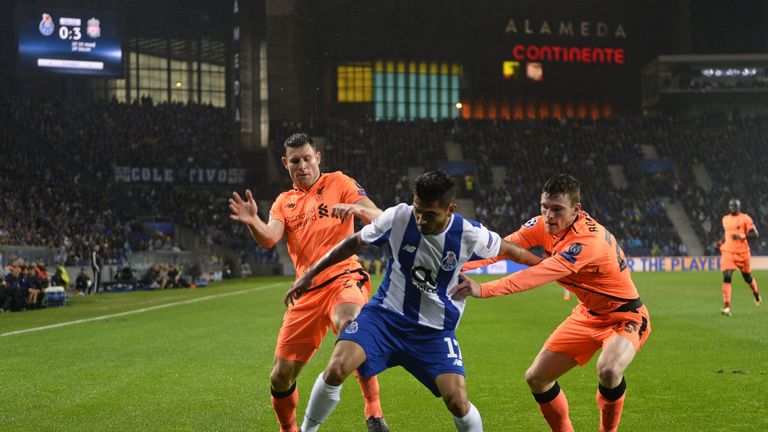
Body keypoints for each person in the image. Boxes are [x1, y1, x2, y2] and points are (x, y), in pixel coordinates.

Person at [286, 170, 542, 432]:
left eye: (430, 215)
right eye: (418, 210)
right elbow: (353, 243)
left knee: (457, 400)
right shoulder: (399, 216)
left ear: (450, 209)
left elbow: (513, 251)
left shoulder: (469, 233)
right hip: (384, 317)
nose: (420, 219)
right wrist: (309, 275)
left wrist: (550, 267)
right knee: (337, 367)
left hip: (433, 331)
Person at [451, 174, 651, 432]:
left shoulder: (588, 242)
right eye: (544, 207)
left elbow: (533, 276)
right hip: (587, 315)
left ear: (576, 210)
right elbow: (502, 248)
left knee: (609, 370)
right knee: (537, 378)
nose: (548, 216)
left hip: (625, 317)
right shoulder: (541, 224)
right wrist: (457, 266)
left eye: (557, 209)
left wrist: (482, 289)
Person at [228, 133, 388, 432]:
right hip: (305, 291)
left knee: (351, 325)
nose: (302, 165)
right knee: (280, 376)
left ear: (318, 157)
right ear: (285, 163)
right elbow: (269, 238)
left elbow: (379, 216)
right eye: (295, 161)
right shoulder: (283, 202)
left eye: (306, 158)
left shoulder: (339, 182)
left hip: (343, 276)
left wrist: (357, 210)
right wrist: (253, 223)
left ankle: (374, 412)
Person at [715, 198, 761, 316]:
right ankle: (727, 307)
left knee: (747, 277)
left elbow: (755, 234)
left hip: (742, 254)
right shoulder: (725, 219)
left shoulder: (745, 218)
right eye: (731, 206)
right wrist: (720, 241)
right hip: (728, 252)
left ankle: (756, 294)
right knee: (727, 276)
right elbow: (727, 233)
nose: (733, 208)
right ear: (728, 207)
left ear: (739, 207)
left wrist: (741, 235)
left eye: (735, 206)